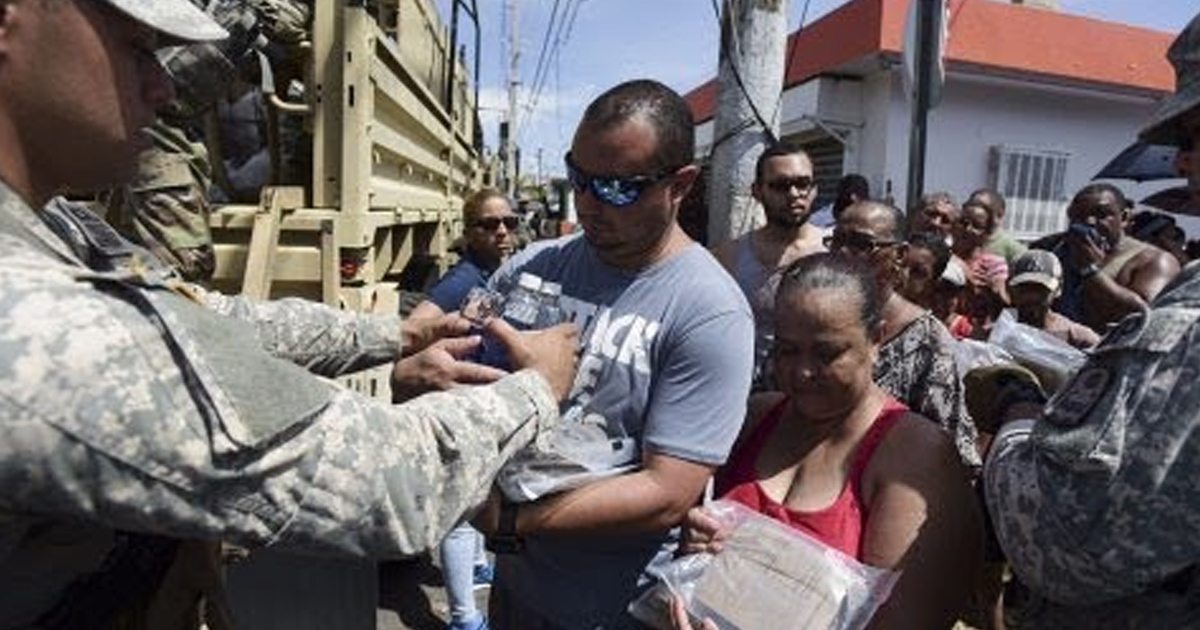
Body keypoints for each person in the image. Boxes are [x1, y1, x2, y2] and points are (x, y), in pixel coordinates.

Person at [0, 2, 579, 628]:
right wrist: (535, 389)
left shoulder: (48, 222)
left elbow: (204, 316)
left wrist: (393, 333)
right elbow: (395, 483)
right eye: (136, 47)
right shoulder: (32, 314)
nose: (163, 84)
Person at [472, 79, 756, 630]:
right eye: (579, 178)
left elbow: (666, 492)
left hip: (614, 611)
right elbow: (464, 367)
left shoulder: (709, 312)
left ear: (681, 185)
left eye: (618, 188)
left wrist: (511, 520)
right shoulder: (534, 265)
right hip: (515, 593)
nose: (589, 204)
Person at [980, 11, 1200, 628]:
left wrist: (1017, 412)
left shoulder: (1165, 282)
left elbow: (1063, 538)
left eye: (1192, 138)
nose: (1183, 164)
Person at [678, 253, 983, 630]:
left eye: (827, 353)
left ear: (876, 339)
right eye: (788, 350)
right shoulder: (755, 418)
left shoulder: (914, 457)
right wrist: (696, 547)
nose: (803, 372)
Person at [395, 187, 519, 630]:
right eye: (489, 225)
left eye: (509, 222)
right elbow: (415, 327)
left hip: (487, 404)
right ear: (468, 232)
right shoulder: (465, 278)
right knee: (462, 514)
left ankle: (470, 574)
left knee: (481, 505)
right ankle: (465, 618)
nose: (502, 231)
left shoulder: (499, 271)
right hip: (463, 404)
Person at [828, 201, 980, 468]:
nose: (842, 253)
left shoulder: (929, 340)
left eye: (861, 244)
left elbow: (949, 447)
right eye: (836, 241)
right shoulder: (813, 319)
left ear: (899, 254)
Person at [712, 140, 825, 390]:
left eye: (802, 184)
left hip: (819, 397)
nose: (794, 194)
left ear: (815, 189)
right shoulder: (727, 258)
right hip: (747, 401)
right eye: (781, 185)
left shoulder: (836, 252)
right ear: (757, 191)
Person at [1049, 182, 1180, 334]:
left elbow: (1143, 317)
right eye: (1079, 215)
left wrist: (1090, 270)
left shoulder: (1156, 261)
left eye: (1102, 214)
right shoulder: (1058, 250)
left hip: (1113, 353)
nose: (1089, 221)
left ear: (1124, 218)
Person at [1006, 249, 1101, 350]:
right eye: (1024, 289)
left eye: (1040, 289)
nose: (1032, 296)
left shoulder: (1078, 337)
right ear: (1009, 289)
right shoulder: (1000, 333)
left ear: (1058, 289)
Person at [952, 197, 1010, 337]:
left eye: (976, 226)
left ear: (986, 233)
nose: (967, 229)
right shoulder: (942, 256)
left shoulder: (993, 265)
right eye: (963, 223)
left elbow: (1005, 305)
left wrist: (992, 291)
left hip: (975, 335)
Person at [967, 188, 1027, 266]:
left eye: (983, 209)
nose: (975, 211)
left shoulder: (1013, 249)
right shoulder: (961, 241)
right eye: (972, 206)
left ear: (1000, 214)